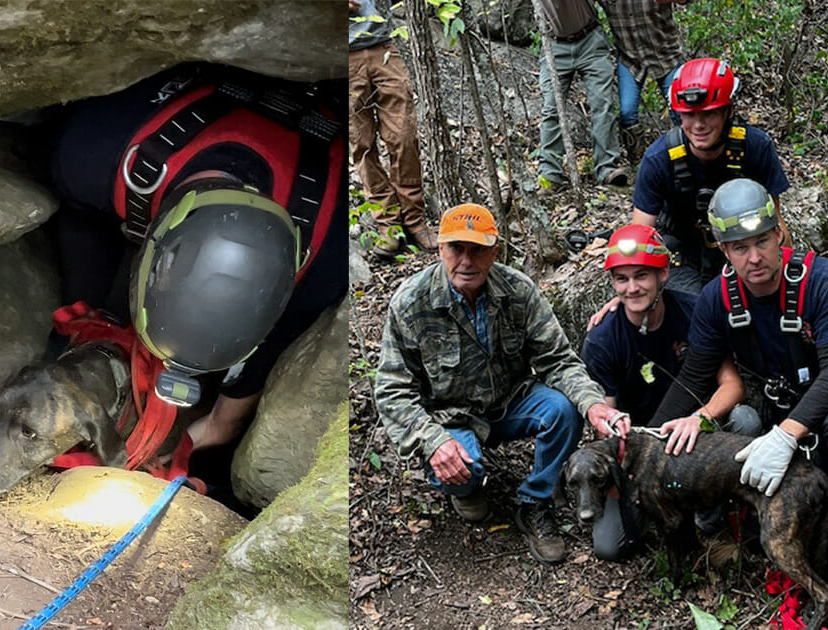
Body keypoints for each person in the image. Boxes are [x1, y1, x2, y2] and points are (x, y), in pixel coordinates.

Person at [47, 62, 347, 465]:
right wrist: (90, 313)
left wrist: (205, 433)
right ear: (150, 241)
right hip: (207, 99)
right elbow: (79, 215)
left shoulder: (327, 259)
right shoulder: (95, 148)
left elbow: (265, 357)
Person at [651, 178, 828, 626]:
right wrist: (644, 440)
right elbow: (694, 375)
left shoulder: (821, 281)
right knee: (749, 426)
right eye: (739, 248)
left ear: (779, 234)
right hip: (787, 409)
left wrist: (786, 436)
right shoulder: (718, 299)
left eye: (762, 242)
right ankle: (763, 534)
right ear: (723, 251)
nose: (755, 258)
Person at [374, 203, 627, 564]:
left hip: (511, 401)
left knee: (563, 410)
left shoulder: (518, 291)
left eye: (477, 249)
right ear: (440, 249)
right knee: (463, 472)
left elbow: (558, 360)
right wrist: (433, 442)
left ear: (495, 251)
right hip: (450, 418)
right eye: (456, 248)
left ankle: (535, 501)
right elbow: (391, 391)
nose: (466, 260)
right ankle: (464, 486)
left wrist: (594, 404)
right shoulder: (412, 302)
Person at [581, 223, 760, 559]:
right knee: (611, 546)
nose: (632, 288)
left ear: (663, 275)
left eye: (641, 276)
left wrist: (698, 419)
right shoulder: (602, 339)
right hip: (642, 451)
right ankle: (661, 509)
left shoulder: (694, 312)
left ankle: (713, 516)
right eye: (622, 279)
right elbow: (604, 420)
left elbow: (733, 386)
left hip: (698, 438)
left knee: (745, 420)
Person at [632, 57, 791, 294]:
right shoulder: (659, 159)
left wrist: (791, 278)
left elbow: (775, 223)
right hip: (681, 253)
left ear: (729, 111)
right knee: (693, 312)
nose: (698, 125)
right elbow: (640, 236)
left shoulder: (755, 148)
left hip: (741, 245)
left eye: (709, 114)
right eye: (689, 115)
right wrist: (629, 296)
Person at [349, 0, 437, 257]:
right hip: (343, 55)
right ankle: (388, 224)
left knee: (404, 136)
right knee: (361, 146)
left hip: (384, 47)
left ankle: (415, 220)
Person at [534, 0, 628, 193]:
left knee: (602, 104)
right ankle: (550, 175)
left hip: (590, 38)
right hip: (554, 44)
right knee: (551, 110)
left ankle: (607, 168)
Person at [599, 0, 688, 159]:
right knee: (627, 113)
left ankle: (689, 156)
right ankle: (638, 164)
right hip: (630, 59)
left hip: (666, 56)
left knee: (681, 109)